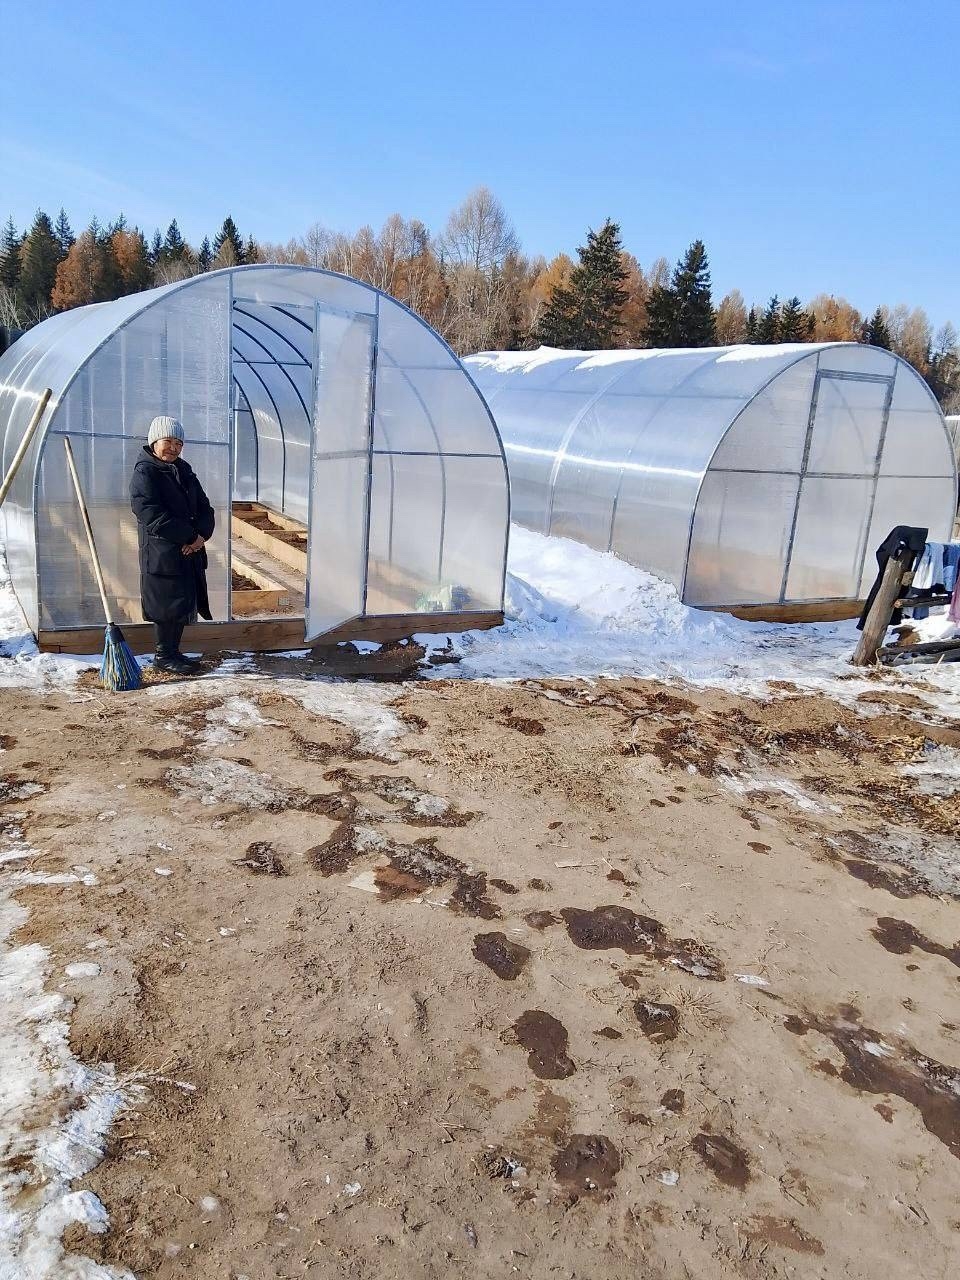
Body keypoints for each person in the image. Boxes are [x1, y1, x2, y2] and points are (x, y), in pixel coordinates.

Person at [130, 416, 215, 675]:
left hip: (188, 550)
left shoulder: (184, 470)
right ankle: (163, 655)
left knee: (180, 603)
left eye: (179, 443)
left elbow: (205, 507)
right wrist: (189, 538)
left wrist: (201, 536)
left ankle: (173, 652)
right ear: (154, 441)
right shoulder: (146, 471)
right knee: (165, 605)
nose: (174, 448)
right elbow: (149, 512)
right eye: (168, 441)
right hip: (163, 552)